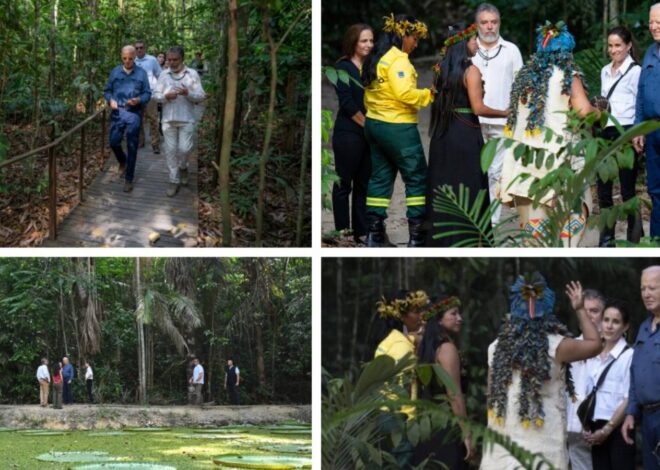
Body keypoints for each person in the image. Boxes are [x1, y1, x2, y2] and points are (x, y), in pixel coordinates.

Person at [480, 275, 602, 469]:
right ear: (546, 310)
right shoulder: (555, 345)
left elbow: (491, 396)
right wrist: (579, 309)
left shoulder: (496, 347)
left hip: (502, 447)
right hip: (544, 446)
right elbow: (595, 344)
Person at [498, 22, 596, 247]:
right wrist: (599, 111)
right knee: (569, 229)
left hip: (525, 167)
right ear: (566, 51)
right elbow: (583, 112)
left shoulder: (523, 80)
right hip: (559, 164)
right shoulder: (568, 76)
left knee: (534, 241)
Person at [425, 23, 508, 247]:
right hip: (465, 134)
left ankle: (443, 239)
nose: (477, 44)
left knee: (445, 185)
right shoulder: (471, 71)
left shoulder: (440, 68)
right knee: (468, 185)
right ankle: (468, 238)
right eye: (473, 40)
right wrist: (505, 112)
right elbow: (479, 108)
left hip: (443, 134)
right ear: (463, 43)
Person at [362, 14, 434, 247]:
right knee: (416, 178)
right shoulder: (399, 60)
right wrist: (429, 94)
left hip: (374, 124)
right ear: (403, 35)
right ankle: (417, 236)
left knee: (380, 177)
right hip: (398, 127)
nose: (416, 44)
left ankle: (374, 234)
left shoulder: (378, 57)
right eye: (414, 38)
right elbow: (405, 94)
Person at [471, 3, 523, 224]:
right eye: (485, 22)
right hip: (473, 121)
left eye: (494, 22)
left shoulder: (511, 50)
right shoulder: (469, 49)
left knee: (496, 173)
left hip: (503, 123)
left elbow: (520, 86)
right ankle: (472, 219)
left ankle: (491, 223)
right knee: (473, 171)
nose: (490, 27)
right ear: (477, 25)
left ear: (499, 23)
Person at [370, 289, 428, 467]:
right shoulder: (402, 346)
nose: (421, 316)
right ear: (402, 316)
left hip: (384, 415)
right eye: (416, 312)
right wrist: (410, 420)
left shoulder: (390, 341)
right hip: (398, 418)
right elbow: (404, 386)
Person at [413, 295, 472, 469]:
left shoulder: (425, 346)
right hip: (446, 428)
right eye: (453, 314)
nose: (459, 318)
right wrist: (467, 432)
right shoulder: (446, 348)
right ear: (439, 320)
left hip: (426, 427)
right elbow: (454, 394)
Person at [597, 26, 643, 246]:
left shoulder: (636, 72)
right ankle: (607, 239)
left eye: (618, 45)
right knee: (603, 186)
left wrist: (638, 134)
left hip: (627, 131)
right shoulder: (605, 70)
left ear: (628, 46)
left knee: (627, 188)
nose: (613, 50)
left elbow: (639, 104)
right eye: (610, 46)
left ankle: (634, 239)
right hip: (606, 130)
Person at [331, 24, 374, 245]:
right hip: (348, 133)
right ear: (353, 42)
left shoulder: (372, 66)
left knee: (363, 184)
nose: (368, 45)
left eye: (370, 41)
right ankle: (343, 233)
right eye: (363, 41)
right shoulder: (342, 67)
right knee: (343, 184)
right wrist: (368, 126)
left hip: (369, 135)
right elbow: (346, 103)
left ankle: (362, 231)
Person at [582, 299, 635, 470]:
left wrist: (607, 429)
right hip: (594, 427)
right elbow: (587, 391)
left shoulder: (630, 355)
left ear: (625, 327)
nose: (609, 326)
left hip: (618, 427)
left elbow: (629, 397)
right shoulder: (593, 354)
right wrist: (586, 424)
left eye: (616, 321)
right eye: (606, 320)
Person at [153, 46, 206, 197]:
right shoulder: (164, 75)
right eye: (169, 60)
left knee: (184, 149)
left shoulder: (192, 74)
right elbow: (155, 95)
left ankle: (183, 166)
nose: (171, 62)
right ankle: (173, 180)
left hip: (187, 119)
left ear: (182, 59)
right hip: (168, 120)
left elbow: (201, 96)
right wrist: (165, 96)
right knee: (170, 151)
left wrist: (188, 93)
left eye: (175, 59)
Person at [622, 265, 660, 470]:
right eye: (643, 288)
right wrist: (630, 412)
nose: (646, 294)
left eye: (652, 288)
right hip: (646, 417)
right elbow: (635, 373)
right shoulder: (644, 328)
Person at [566, 289, 606, 470]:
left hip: (601, 430)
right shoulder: (568, 347)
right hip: (571, 428)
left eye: (594, 311)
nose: (589, 315)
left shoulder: (613, 350)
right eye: (585, 309)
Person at [103, 45, 152, 193]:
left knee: (132, 146)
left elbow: (147, 93)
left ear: (134, 57)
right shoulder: (115, 71)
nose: (128, 61)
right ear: (121, 56)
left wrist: (138, 99)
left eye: (130, 58)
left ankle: (129, 179)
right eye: (125, 58)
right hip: (118, 113)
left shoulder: (141, 73)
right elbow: (107, 91)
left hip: (133, 114)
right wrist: (110, 99)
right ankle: (122, 161)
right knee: (113, 142)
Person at [633, 4, 660, 240]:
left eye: (658, 22)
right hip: (652, 130)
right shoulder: (651, 51)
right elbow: (641, 93)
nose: (653, 26)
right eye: (651, 21)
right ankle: (655, 241)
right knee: (654, 189)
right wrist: (638, 128)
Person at [134, 40, 162, 154]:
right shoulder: (132, 60)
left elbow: (159, 74)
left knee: (153, 119)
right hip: (137, 95)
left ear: (145, 48)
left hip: (150, 94)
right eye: (137, 48)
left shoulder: (152, 60)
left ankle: (155, 143)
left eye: (141, 47)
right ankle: (140, 141)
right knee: (137, 119)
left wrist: (159, 91)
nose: (139, 50)